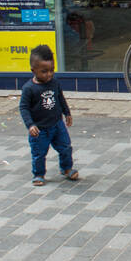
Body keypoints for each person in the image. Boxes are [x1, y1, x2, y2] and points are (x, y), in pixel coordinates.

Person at [20, 44, 77, 186]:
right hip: (40, 129)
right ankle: (38, 174)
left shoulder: (54, 83)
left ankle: (66, 168)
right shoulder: (29, 88)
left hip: (57, 124)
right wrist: (30, 125)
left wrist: (67, 112)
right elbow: (24, 108)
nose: (49, 74)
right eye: (44, 71)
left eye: (52, 70)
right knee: (39, 153)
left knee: (65, 147)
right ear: (33, 70)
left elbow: (60, 98)